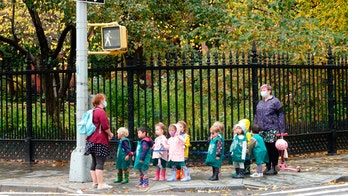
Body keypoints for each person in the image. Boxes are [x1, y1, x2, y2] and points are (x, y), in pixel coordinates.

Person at [254, 84, 285, 175]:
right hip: (261, 129)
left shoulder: (275, 101)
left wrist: (281, 129)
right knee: (264, 148)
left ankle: (274, 166)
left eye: (264, 89)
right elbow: (257, 115)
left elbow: (281, 115)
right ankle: (267, 166)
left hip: (272, 128)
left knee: (272, 148)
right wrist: (255, 127)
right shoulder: (260, 103)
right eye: (261, 90)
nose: (262, 91)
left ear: (269, 91)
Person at [84, 93, 114, 189]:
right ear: (101, 100)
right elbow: (105, 126)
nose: (105, 101)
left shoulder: (92, 111)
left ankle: (95, 183)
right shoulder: (101, 112)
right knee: (100, 162)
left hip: (91, 140)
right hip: (100, 141)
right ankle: (101, 184)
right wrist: (110, 134)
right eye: (104, 99)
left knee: (94, 162)